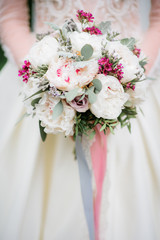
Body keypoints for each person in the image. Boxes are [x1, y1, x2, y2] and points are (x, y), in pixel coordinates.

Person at [0, 0, 160, 239]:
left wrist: (127, 80)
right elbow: (10, 15)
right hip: (43, 80)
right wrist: (46, 78)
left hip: (132, 74)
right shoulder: (45, 78)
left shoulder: (129, 77)